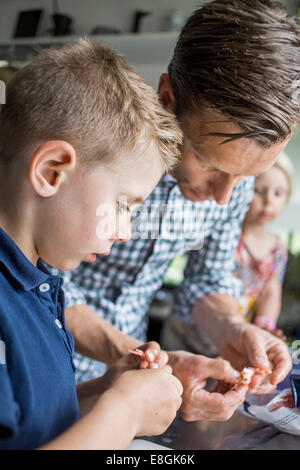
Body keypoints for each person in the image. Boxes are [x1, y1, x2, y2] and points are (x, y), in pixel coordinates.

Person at [54, 0, 300, 422]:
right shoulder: (93, 152)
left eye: (246, 179)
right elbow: (40, 280)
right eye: (210, 165)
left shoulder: (231, 186)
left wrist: (233, 328)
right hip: (37, 362)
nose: (226, 197)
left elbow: (206, 277)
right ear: (167, 100)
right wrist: (149, 359)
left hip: (122, 377)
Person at [0, 39, 186, 450]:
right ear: (51, 172)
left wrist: (103, 391)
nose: (125, 232)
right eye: (124, 204)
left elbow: (33, 425)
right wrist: (124, 411)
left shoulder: (40, 286)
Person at [236, 152, 293, 339]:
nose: (269, 201)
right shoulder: (227, 235)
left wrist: (265, 324)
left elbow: (271, 292)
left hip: (239, 335)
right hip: (196, 332)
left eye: (278, 193)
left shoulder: (277, 248)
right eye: (259, 190)